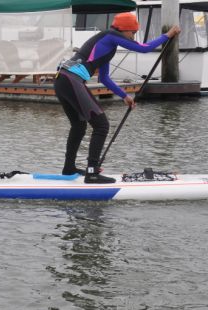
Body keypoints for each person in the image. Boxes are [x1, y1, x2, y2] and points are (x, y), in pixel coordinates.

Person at [54, 13, 181, 183]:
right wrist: (168, 35)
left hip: (62, 80)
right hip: (71, 80)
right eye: (133, 33)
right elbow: (143, 48)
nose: (133, 37)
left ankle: (69, 168)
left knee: (79, 126)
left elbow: (104, 78)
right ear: (124, 29)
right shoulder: (111, 35)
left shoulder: (108, 44)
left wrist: (124, 96)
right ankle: (92, 173)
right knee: (101, 125)